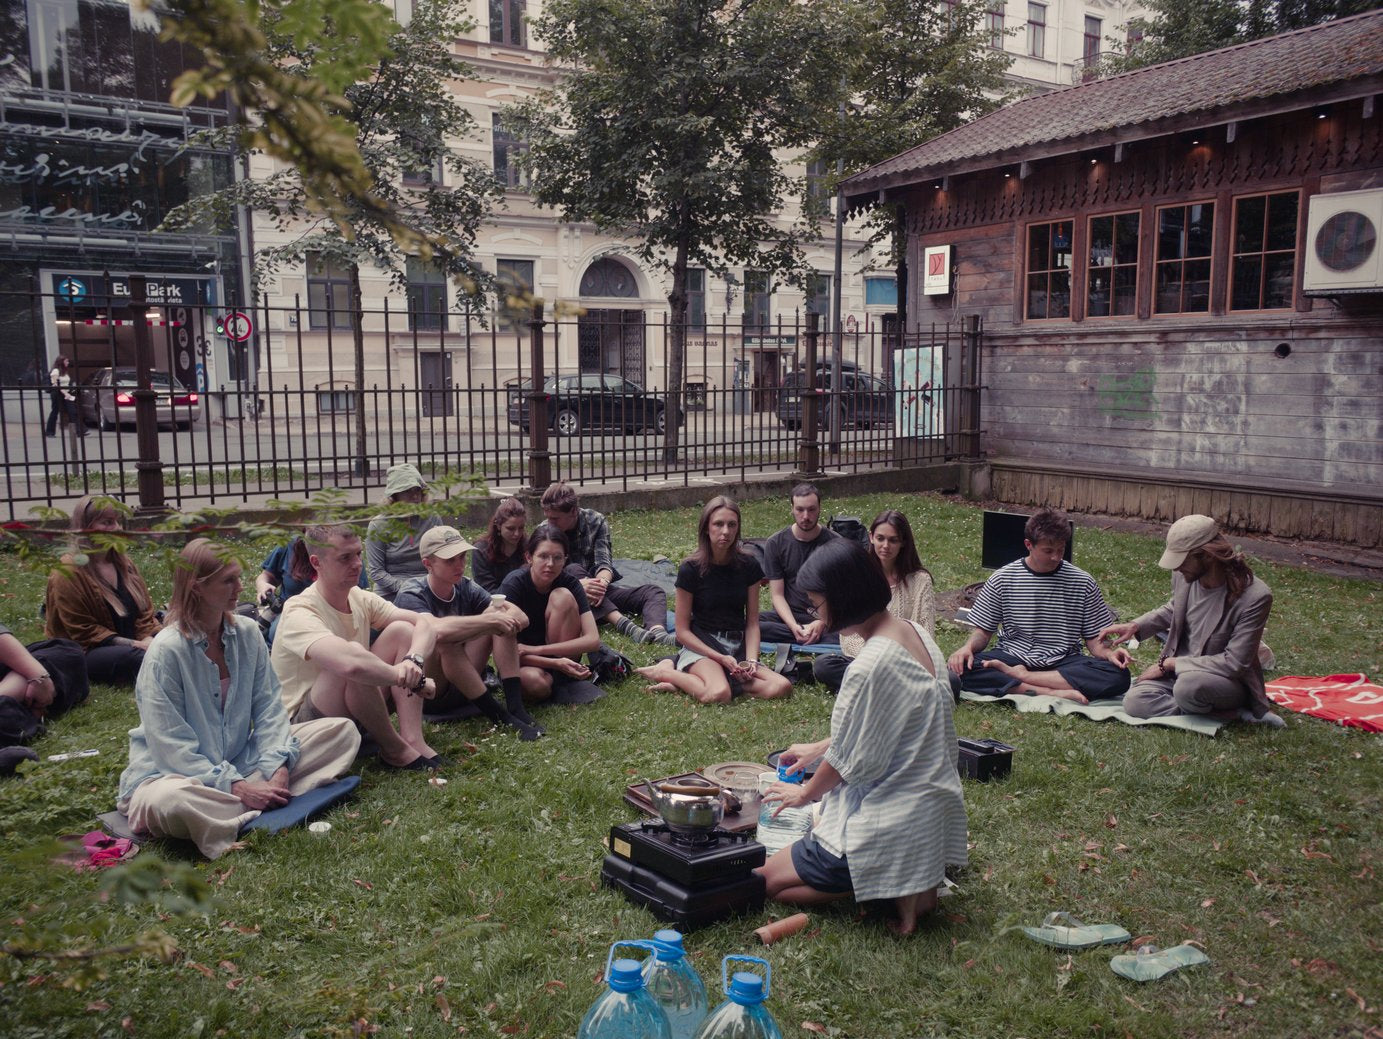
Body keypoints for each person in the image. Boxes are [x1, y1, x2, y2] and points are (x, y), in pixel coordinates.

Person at [756, 539, 967, 936]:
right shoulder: (913, 631)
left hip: (890, 820)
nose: (812, 612)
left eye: (816, 604)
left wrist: (804, 795)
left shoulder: (870, 664)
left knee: (767, 882)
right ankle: (909, 883)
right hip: (929, 814)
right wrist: (820, 747)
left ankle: (883, 886)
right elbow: (893, 725)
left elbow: (851, 763)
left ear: (844, 598)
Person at [116, 539, 360, 860]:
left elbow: (270, 708)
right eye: (228, 580)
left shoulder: (247, 634)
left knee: (341, 733)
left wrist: (278, 765)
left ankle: (240, 808)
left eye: (239, 577)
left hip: (240, 761)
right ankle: (251, 804)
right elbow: (171, 747)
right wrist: (237, 787)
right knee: (171, 801)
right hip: (173, 775)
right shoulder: (166, 652)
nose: (240, 587)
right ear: (197, 587)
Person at [270, 523, 444, 771]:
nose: (357, 564)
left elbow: (423, 624)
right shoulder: (299, 610)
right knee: (350, 661)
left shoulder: (359, 597)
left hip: (354, 703)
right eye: (345, 557)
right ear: (316, 562)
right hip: (302, 726)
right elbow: (349, 664)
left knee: (402, 631)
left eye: (358, 554)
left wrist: (413, 661)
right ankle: (395, 750)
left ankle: (412, 738)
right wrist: (410, 679)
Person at [1101, 515, 1280, 725]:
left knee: (1188, 687)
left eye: (1182, 560)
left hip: (1223, 681)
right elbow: (1175, 609)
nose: (1176, 568)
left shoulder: (1255, 596)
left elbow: (1234, 663)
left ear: (1207, 556)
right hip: (1178, 675)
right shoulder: (1185, 575)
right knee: (1135, 702)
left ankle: (1232, 708)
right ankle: (1228, 715)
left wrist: (1169, 664)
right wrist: (1136, 626)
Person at [946, 509, 1130, 705]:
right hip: (1012, 655)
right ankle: (1049, 692)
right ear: (1029, 545)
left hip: (1063, 662)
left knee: (1118, 675)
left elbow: (1094, 640)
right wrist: (966, 648)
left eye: (1061, 549)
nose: (1056, 557)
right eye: (1048, 551)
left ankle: (1022, 680)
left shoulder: (1083, 582)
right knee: (957, 669)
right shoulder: (1003, 578)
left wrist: (1110, 654)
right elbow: (983, 632)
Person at [635, 497, 792, 703]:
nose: (725, 531)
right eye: (718, 524)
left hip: (737, 646)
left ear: (738, 529)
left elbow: (752, 623)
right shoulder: (690, 569)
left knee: (782, 687)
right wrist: (720, 658)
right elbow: (682, 632)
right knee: (720, 694)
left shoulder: (749, 565)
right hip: (703, 645)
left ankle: (706, 681)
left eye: (732, 525)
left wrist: (752, 660)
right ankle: (666, 672)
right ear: (706, 528)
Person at [394, 525, 543, 741]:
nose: (460, 565)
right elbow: (435, 630)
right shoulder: (412, 593)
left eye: (462, 557)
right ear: (428, 564)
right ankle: (500, 716)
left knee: (499, 617)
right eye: (450, 560)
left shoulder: (466, 587)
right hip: (429, 690)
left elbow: (521, 618)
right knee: (446, 640)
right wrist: (487, 621)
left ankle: (515, 708)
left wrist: (495, 619)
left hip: (466, 680)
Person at [813, 509, 936, 693]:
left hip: (906, 664)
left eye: (893, 540)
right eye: (880, 538)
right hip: (865, 660)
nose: (885, 545)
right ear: (871, 537)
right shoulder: (857, 575)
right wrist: (874, 659)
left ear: (903, 542)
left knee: (950, 680)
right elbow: (849, 636)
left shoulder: (920, 580)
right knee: (824, 665)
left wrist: (896, 661)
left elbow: (926, 635)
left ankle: (873, 686)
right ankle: (892, 688)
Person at [539, 482, 676, 646]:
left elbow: (604, 562)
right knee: (573, 569)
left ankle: (658, 631)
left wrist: (601, 584)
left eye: (555, 518)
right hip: (567, 599)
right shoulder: (544, 532)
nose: (550, 523)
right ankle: (624, 624)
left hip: (598, 591)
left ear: (573, 512)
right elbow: (542, 577)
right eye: (548, 517)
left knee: (653, 591)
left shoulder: (595, 521)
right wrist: (577, 586)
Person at [45, 495, 161, 685]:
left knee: (180, 639)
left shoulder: (125, 564)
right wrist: (137, 645)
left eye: (117, 522)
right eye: (107, 522)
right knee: (139, 659)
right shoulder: (68, 571)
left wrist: (148, 638)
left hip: (136, 642)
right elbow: (83, 631)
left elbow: (144, 613)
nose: (115, 528)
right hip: (87, 651)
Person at [498, 524, 603, 707]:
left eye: (557, 558)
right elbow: (508, 653)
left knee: (562, 596)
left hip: (557, 656)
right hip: (523, 662)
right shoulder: (513, 584)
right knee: (535, 683)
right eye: (543, 556)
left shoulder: (570, 583)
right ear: (529, 557)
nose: (550, 564)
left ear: (565, 560)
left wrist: (537, 650)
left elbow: (593, 640)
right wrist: (552, 662)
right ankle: (558, 681)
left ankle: (561, 678)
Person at [758, 482, 839, 646]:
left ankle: (811, 633)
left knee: (850, 632)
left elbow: (841, 594)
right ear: (792, 509)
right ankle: (804, 634)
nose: (806, 516)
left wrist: (822, 622)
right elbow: (777, 595)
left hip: (826, 616)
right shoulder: (776, 543)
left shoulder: (835, 543)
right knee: (751, 624)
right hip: (789, 616)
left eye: (811, 509)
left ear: (820, 508)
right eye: (800, 510)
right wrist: (793, 626)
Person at [254, 531, 368, 646]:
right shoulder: (289, 546)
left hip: (335, 613)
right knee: (281, 631)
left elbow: (358, 595)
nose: (357, 563)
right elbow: (266, 576)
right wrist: (263, 585)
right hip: (290, 614)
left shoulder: (345, 549)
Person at [365, 463, 441, 601]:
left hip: (429, 586)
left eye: (417, 490)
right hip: (391, 591)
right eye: (407, 491)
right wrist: (408, 588)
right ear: (394, 496)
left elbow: (442, 557)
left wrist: (430, 585)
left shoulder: (432, 518)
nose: (415, 496)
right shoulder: (378, 525)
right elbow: (377, 572)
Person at [472, 497, 528, 593]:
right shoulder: (481, 550)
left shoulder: (529, 546)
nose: (517, 534)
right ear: (498, 525)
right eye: (511, 528)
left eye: (521, 528)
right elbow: (487, 590)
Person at [45, 355, 84, 438]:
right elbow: (55, 384)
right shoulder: (55, 371)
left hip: (67, 393)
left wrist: (69, 391)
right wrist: (65, 393)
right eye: (66, 361)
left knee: (72, 411)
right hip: (58, 394)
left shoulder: (64, 372)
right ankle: (50, 431)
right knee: (55, 412)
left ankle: (80, 430)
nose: (68, 363)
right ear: (61, 362)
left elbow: (66, 383)